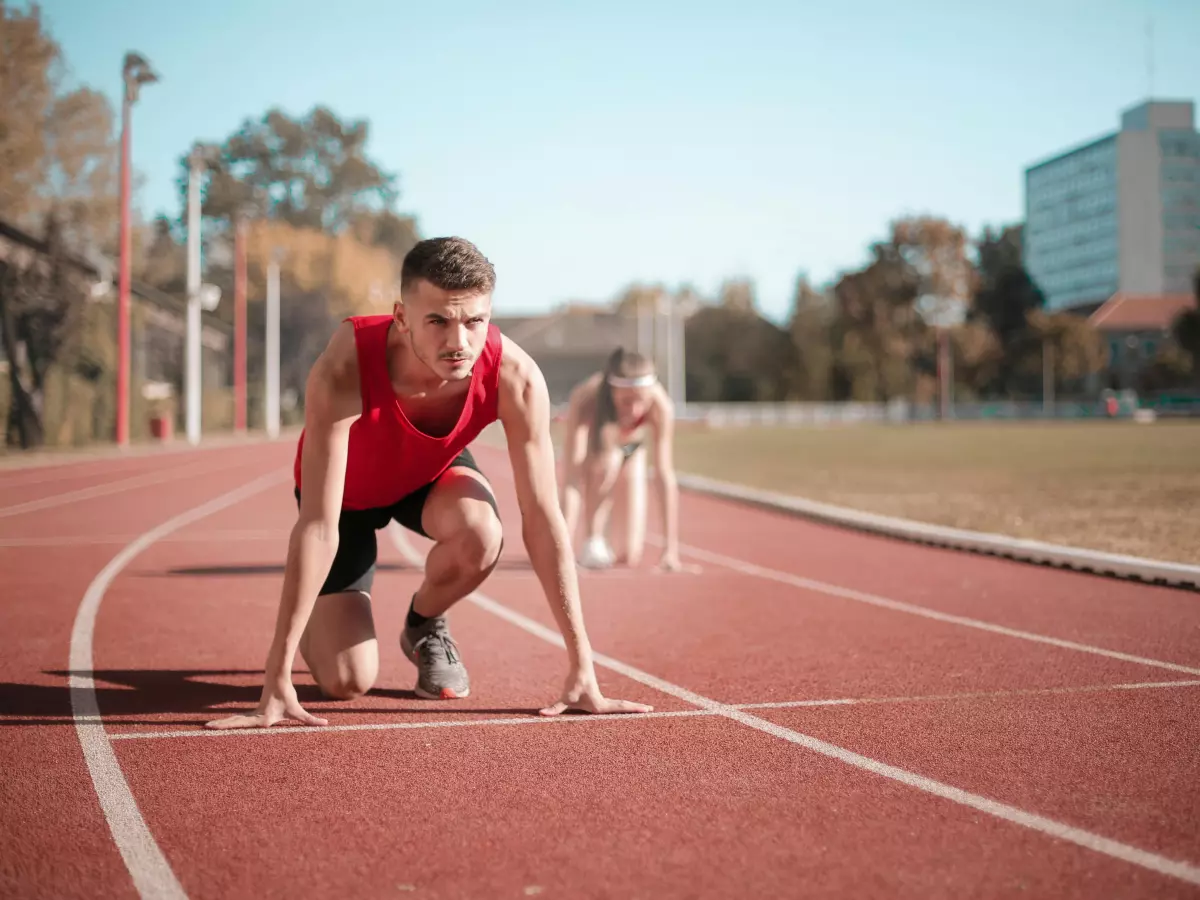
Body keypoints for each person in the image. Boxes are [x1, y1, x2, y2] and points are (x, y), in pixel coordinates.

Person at [207, 237, 652, 730]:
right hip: (346, 499)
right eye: (437, 321)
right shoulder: (345, 364)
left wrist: (582, 667)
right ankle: (317, 613)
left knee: (483, 533)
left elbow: (544, 518)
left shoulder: (516, 377)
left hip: (427, 476)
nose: (458, 342)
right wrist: (276, 677)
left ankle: (423, 625)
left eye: (474, 321)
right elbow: (317, 525)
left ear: (489, 314)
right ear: (401, 317)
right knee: (346, 682)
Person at [558, 348, 682, 571]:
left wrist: (670, 550)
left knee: (628, 554)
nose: (634, 410)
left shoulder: (661, 405)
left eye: (640, 401)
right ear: (612, 390)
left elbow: (664, 476)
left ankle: (613, 543)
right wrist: (561, 546)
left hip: (633, 449)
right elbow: (572, 478)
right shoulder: (586, 398)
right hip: (598, 451)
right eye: (626, 401)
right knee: (608, 464)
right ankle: (593, 539)